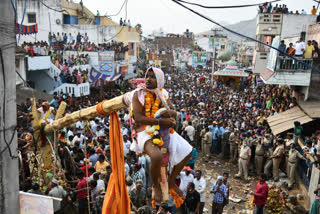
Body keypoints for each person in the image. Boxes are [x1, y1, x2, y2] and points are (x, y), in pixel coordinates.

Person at [128, 67, 192, 202]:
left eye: (152, 77)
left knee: (189, 150)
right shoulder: (138, 94)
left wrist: (169, 114)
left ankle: (171, 180)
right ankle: (156, 185)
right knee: (156, 156)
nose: (148, 79)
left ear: (160, 81)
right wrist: (161, 120)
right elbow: (139, 117)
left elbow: (173, 111)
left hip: (163, 130)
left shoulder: (163, 94)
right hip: (144, 131)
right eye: (147, 76)